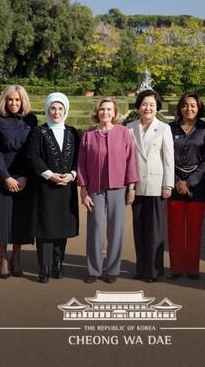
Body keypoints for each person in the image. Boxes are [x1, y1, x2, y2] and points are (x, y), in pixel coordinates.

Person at [77, 97, 138, 284]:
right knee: (95, 229)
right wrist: (83, 190)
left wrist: (132, 188)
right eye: (102, 109)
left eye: (109, 109)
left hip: (118, 188)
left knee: (116, 229)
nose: (105, 112)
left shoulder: (123, 133)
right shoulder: (88, 135)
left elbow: (130, 161)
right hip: (95, 188)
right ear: (97, 112)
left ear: (115, 112)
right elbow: (82, 164)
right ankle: (94, 269)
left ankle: (112, 269)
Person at [27, 93, 80, 283]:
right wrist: (50, 175)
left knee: (61, 228)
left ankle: (59, 264)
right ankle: (44, 267)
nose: (56, 112)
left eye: (60, 109)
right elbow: (33, 156)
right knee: (45, 229)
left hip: (66, 187)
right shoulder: (39, 132)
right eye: (52, 108)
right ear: (47, 110)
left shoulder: (73, 132)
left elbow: (79, 159)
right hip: (45, 188)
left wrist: (72, 174)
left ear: (65, 111)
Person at [0, 84, 37, 277]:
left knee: (18, 219)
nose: (14, 103)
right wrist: (5, 176)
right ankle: (4, 259)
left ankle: (17, 257)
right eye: (10, 99)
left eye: (17, 99)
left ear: (23, 101)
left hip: (24, 175)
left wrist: (25, 175)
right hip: (2, 175)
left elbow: (32, 150)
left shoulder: (31, 120)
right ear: (5, 101)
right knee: (3, 219)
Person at [127, 89, 174, 283]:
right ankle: (141, 268)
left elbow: (168, 159)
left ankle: (154, 271)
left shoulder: (164, 128)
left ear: (157, 108)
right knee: (139, 230)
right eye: (144, 104)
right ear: (138, 106)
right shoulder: (129, 128)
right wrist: (130, 188)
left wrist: (168, 185)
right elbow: (127, 160)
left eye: (152, 105)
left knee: (155, 231)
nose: (148, 108)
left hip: (157, 185)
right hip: (137, 185)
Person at [168, 93, 205, 280]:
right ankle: (177, 268)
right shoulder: (169, 129)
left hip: (198, 186)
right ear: (180, 107)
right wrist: (177, 181)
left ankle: (193, 269)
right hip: (174, 184)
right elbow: (165, 157)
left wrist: (190, 182)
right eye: (185, 105)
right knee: (175, 229)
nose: (189, 108)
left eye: (193, 105)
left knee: (194, 230)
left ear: (199, 107)